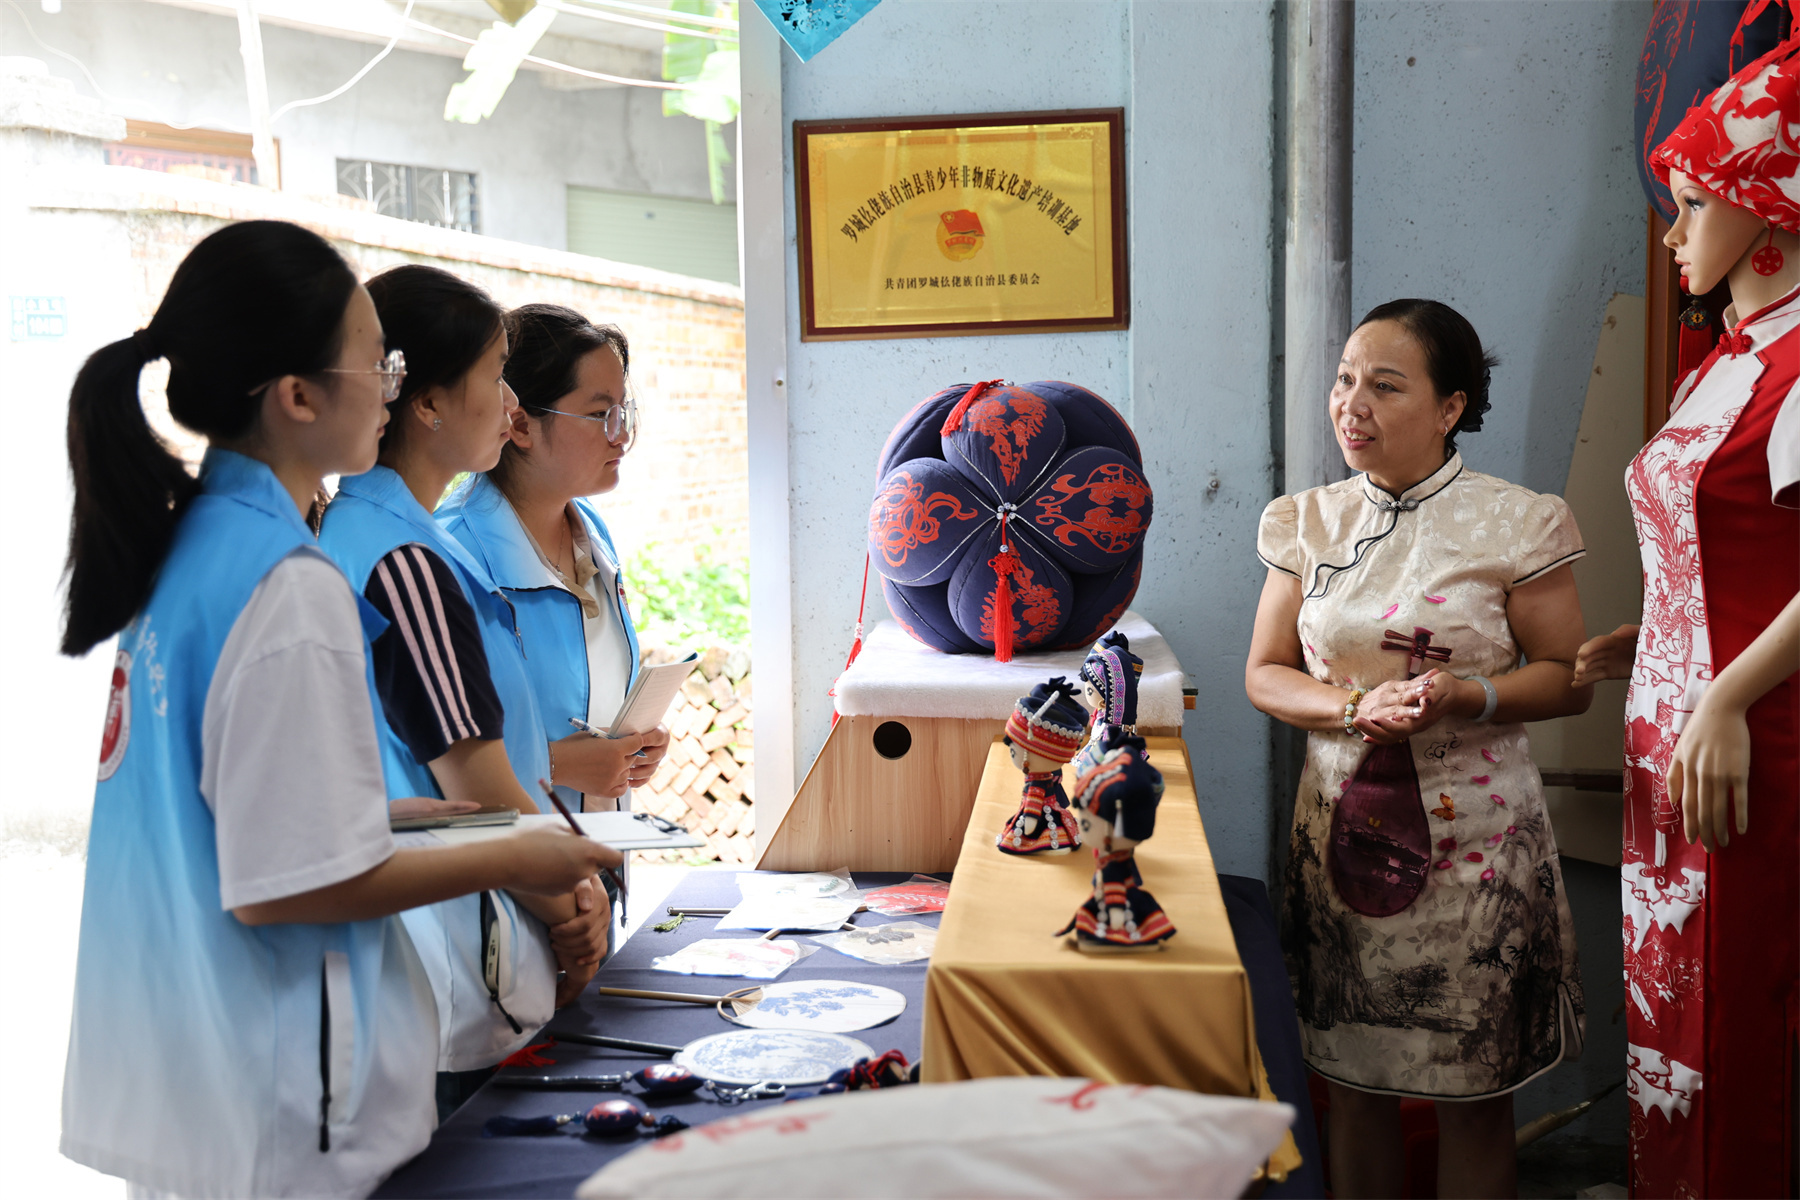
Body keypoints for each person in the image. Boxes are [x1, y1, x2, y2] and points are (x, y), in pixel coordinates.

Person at [58, 220, 613, 1198]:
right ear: (298, 397)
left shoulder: (194, 547)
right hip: (274, 1094)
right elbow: (285, 886)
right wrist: (517, 854)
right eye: (376, 364)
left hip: (198, 1068)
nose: (390, 388)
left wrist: (392, 817)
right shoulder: (287, 581)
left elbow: (223, 815)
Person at [1245, 299, 1593, 1198]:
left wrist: (1470, 695)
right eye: (1345, 380)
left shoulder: (1518, 523)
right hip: (1341, 838)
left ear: (1451, 408)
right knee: (1353, 1084)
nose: (1351, 404)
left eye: (1386, 386)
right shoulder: (1307, 523)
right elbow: (1266, 673)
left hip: (1479, 850)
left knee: (1473, 1095)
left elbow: (1568, 678)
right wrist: (1354, 706)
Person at [1572, 37, 1800, 1197]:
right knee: (1670, 1012)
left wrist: (1725, 690)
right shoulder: (1721, 363)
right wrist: (1653, 635)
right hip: (1674, 730)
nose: (1672, 232)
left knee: (1742, 1008)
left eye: (1695, 204)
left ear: (1771, 211)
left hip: (1749, 734)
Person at [317, 266, 618, 1119]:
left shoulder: (379, 536)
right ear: (428, 404)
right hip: (446, 967)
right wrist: (573, 909)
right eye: (495, 377)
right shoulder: (404, 563)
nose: (509, 404)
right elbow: (477, 789)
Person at [439, 303, 668, 821]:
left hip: (598, 846)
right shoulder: (452, 555)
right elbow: (424, 748)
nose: (621, 435)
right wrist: (556, 765)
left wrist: (632, 744)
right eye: (600, 415)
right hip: (511, 858)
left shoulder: (591, 531)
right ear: (520, 425)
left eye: (624, 412)